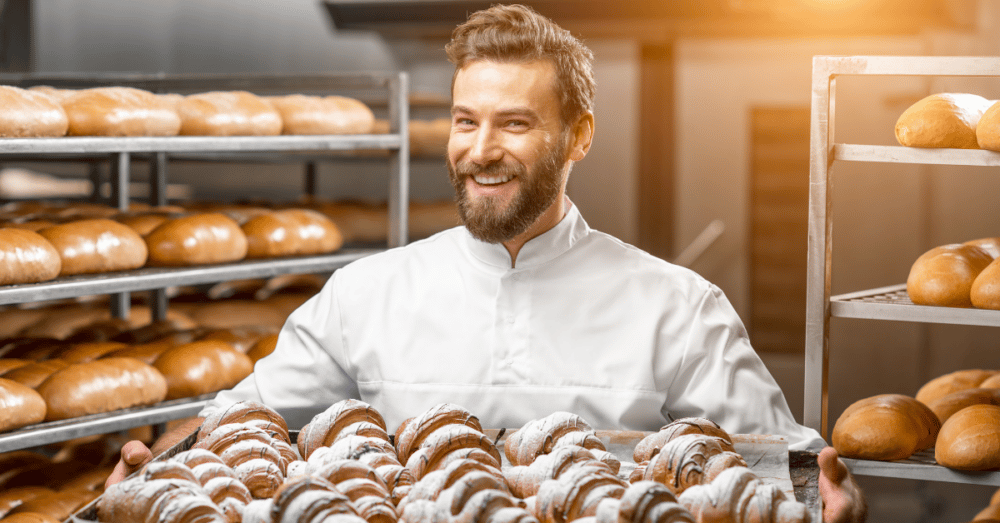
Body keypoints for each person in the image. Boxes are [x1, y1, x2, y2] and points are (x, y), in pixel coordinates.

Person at [108, 4, 866, 521]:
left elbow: (778, 471)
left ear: (579, 137)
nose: (481, 149)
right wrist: (156, 473)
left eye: (514, 123)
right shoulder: (364, 294)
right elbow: (240, 427)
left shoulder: (678, 306)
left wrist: (832, 498)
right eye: (466, 121)